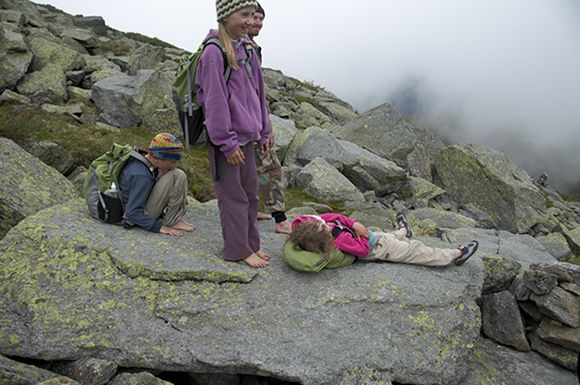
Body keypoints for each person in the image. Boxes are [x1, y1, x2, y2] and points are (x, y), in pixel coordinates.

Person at [195, 0, 271, 268]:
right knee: (233, 197)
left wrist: (264, 131)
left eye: (253, 15)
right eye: (244, 15)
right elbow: (214, 103)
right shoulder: (214, 53)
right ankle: (237, 250)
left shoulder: (247, 49)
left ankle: (252, 245)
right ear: (226, 17)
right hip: (227, 142)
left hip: (248, 138)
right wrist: (226, 143)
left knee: (251, 194)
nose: (251, 21)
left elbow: (259, 94)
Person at [284, 212, 479, 272]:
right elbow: (362, 250)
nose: (326, 223)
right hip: (376, 248)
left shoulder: (305, 224)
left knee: (388, 235)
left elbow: (332, 216)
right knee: (413, 250)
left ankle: (403, 231)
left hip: (370, 236)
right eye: (324, 228)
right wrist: (361, 235)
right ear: (325, 239)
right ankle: (455, 256)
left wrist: (354, 224)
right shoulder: (341, 240)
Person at [247, 2, 292, 234]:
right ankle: (281, 220)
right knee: (271, 167)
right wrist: (265, 127)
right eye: (253, 17)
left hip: (249, 120)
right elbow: (253, 93)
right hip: (250, 122)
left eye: (261, 19)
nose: (258, 23)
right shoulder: (244, 48)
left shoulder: (249, 47)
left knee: (252, 167)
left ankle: (252, 208)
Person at [119, 133, 195, 237]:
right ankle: (172, 221)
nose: (175, 165)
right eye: (173, 161)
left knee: (174, 173)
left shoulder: (144, 162)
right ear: (157, 159)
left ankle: (173, 218)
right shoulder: (142, 176)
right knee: (177, 175)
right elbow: (131, 213)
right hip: (138, 216)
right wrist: (160, 228)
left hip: (140, 210)